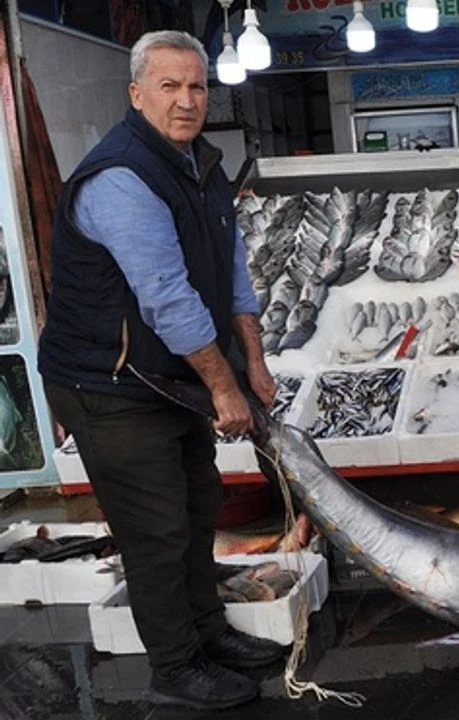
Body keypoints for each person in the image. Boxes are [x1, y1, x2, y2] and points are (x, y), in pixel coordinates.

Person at [38, 31, 285, 710]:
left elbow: (230, 269)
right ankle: (175, 670)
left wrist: (254, 360)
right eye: (169, 86)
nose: (186, 100)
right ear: (136, 94)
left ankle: (208, 635)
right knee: (156, 529)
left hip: (162, 377)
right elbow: (168, 296)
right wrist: (224, 386)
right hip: (107, 383)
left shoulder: (197, 165)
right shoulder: (121, 176)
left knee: (198, 505)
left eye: (197, 86)